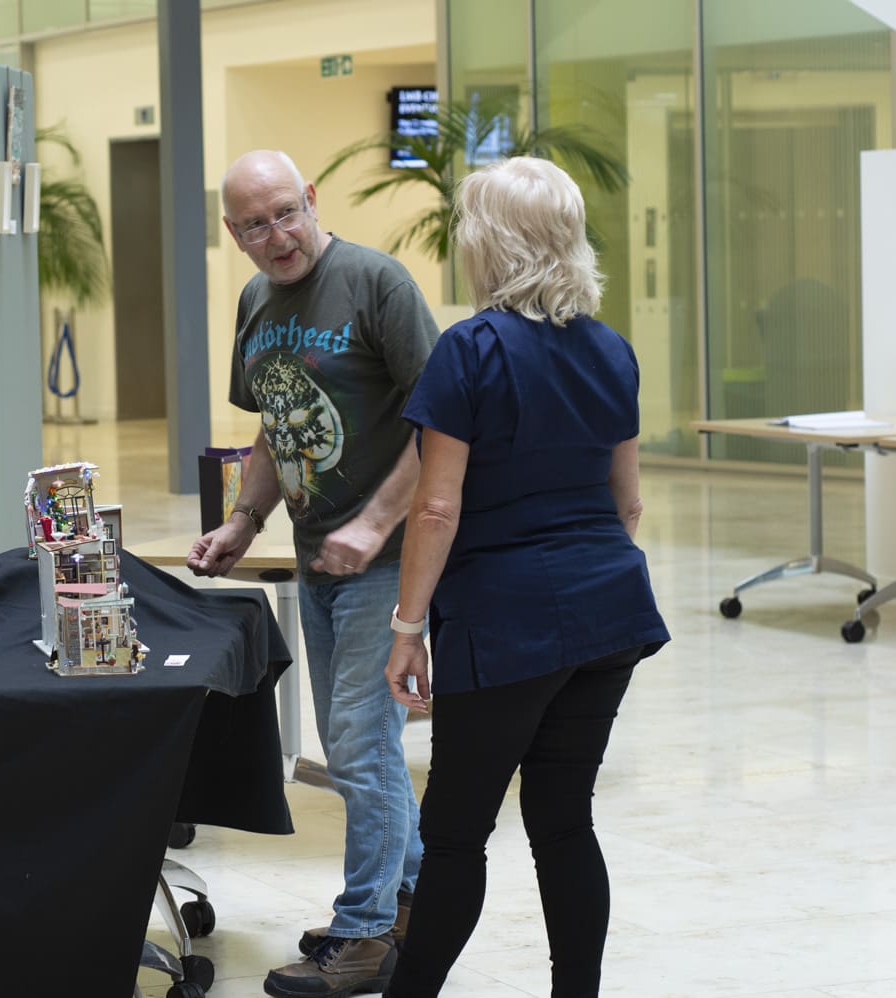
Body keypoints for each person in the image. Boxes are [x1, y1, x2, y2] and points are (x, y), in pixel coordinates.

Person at [381, 156, 670, 997]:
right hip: (610, 613)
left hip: (506, 624)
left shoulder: (469, 351)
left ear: (487, 244)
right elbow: (629, 504)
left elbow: (436, 511)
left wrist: (408, 629)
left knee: (457, 833)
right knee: (563, 818)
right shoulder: (612, 352)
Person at [187, 149, 439, 998]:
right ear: (234, 233)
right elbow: (273, 432)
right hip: (317, 552)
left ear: (312, 200)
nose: (276, 234)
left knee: (363, 752)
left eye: (287, 212)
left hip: (387, 558)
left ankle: (366, 934)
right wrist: (242, 519)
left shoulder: (378, 284)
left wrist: (375, 524)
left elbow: (444, 425)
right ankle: (409, 904)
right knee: (350, 747)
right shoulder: (257, 300)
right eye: (255, 224)